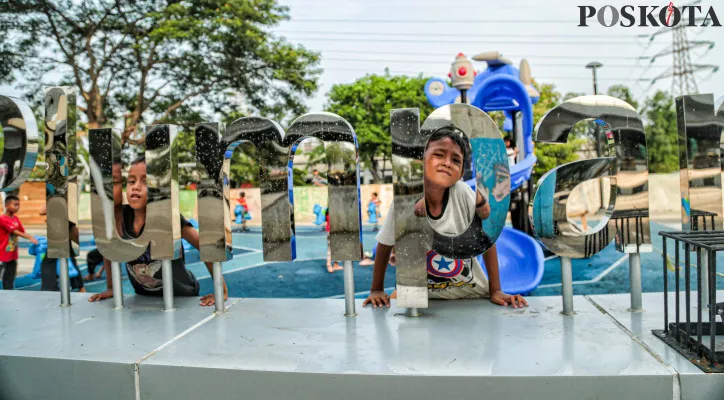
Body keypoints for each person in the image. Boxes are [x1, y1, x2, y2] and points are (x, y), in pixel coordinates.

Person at [363, 129, 527, 308]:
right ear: (421, 160)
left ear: (461, 171)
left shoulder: (463, 193)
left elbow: (487, 240)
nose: (447, 163)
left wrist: (495, 290)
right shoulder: (404, 201)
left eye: (456, 160)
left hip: (470, 297)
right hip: (424, 302)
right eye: (439, 154)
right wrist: (376, 289)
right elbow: (384, 244)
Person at [89, 156, 228, 306]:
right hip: (145, 297)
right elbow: (109, 249)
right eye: (131, 181)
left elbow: (205, 245)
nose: (135, 187)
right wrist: (111, 287)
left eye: (145, 181)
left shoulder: (168, 218)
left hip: (181, 295)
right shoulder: (120, 218)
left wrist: (222, 289)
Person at [0, 195, 38, 290]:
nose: (17, 207)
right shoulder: (2, 219)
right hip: (2, 254)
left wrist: (35, 239)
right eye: (15, 205)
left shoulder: (15, 219)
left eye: (18, 205)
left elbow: (21, 231)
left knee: (10, 277)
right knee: (2, 274)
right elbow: (14, 231)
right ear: (7, 205)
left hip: (12, 254)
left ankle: (8, 293)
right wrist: (29, 237)